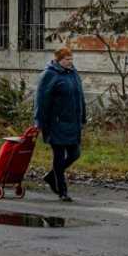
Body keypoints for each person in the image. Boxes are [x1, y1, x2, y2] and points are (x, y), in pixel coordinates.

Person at [33, 46, 86, 202]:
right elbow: (41, 100)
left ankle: (51, 176)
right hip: (55, 123)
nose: (70, 62)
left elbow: (80, 96)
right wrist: (39, 121)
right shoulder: (49, 75)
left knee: (75, 154)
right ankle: (62, 191)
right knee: (58, 156)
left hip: (72, 122)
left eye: (71, 59)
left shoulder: (73, 73)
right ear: (58, 60)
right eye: (67, 60)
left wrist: (83, 116)